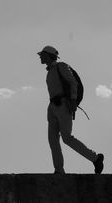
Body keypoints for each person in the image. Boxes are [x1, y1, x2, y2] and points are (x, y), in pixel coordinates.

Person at [38, 45, 104, 174]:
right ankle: (59, 170)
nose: (40, 56)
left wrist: (73, 101)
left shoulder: (60, 66)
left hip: (63, 104)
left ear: (50, 55)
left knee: (67, 138)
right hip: (52, 106)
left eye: (43, 54)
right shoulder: (50, 72)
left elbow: (73, 83)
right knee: (53, 140)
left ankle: (95, 158)